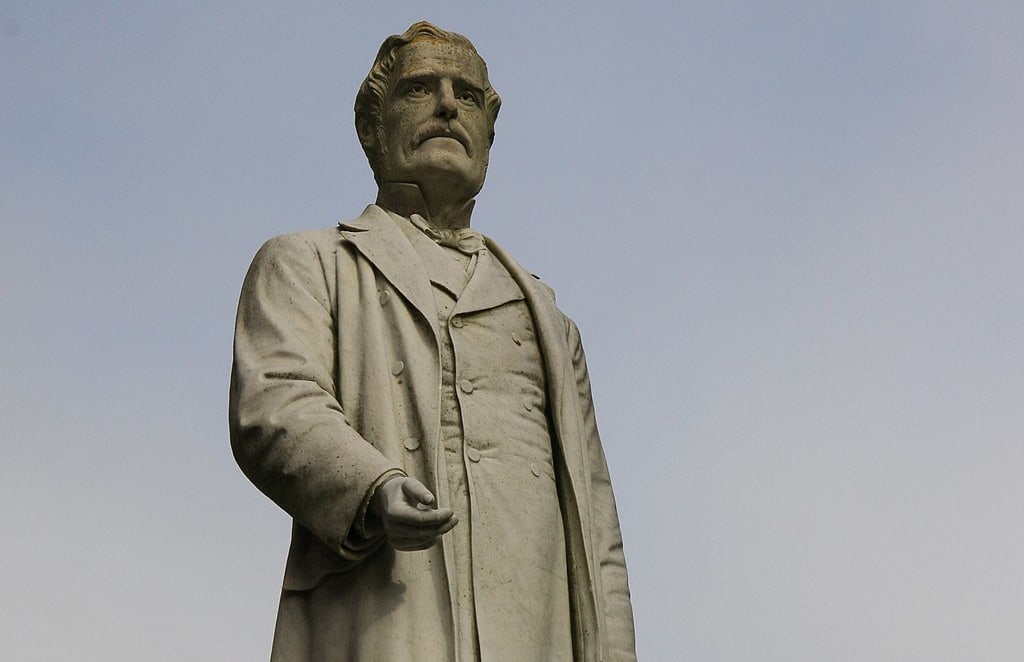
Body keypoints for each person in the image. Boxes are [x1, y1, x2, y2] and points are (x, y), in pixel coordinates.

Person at [229, 21, 636, 662]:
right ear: (373, 128)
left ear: (489, 134)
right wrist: (373, 485)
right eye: (421, 88)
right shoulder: (309, 262)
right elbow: (278, 406)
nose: (448, 104)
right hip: (389, 623)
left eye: (467, 95)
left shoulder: (550, 322)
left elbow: (599, 532)